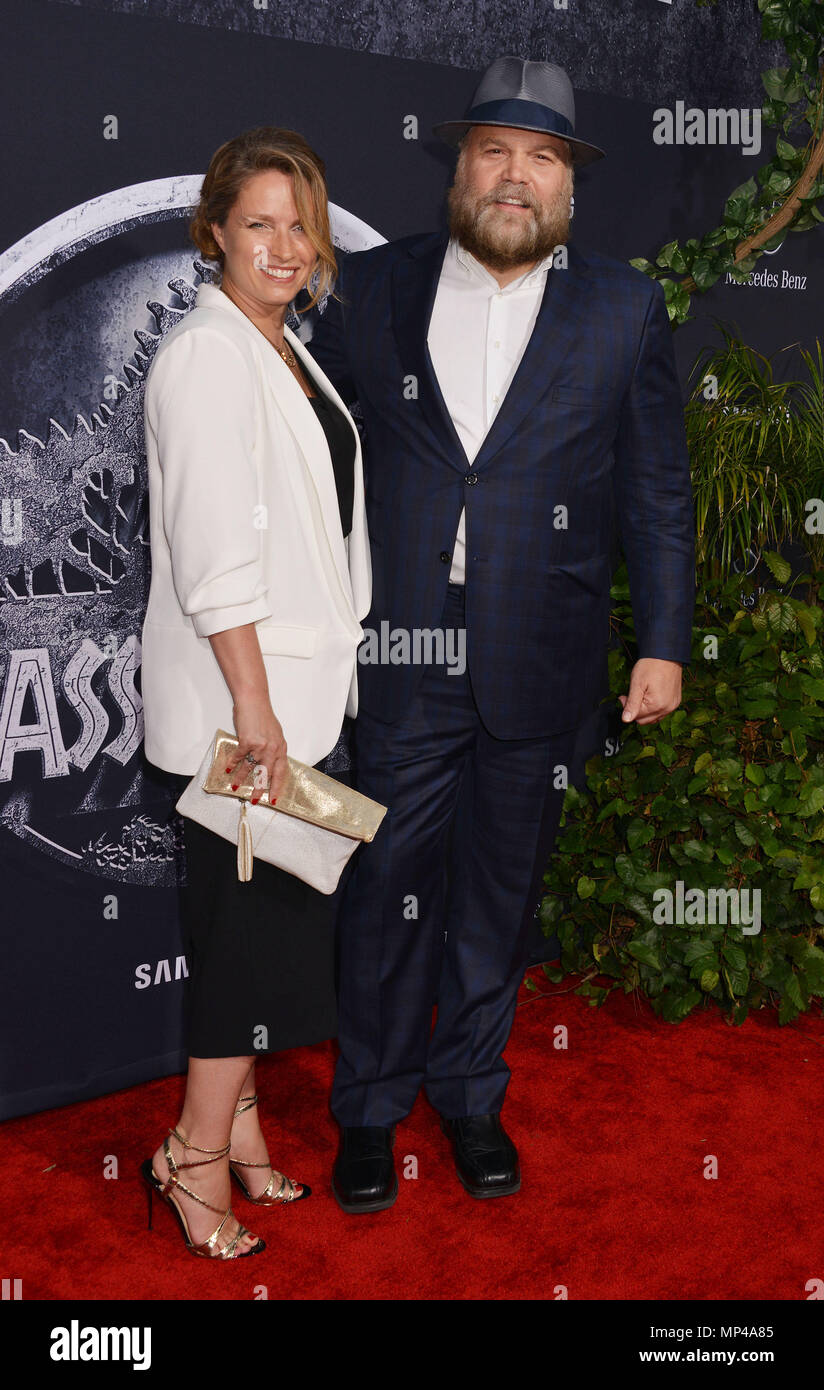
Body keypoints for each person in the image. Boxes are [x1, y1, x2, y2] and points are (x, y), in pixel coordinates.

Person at [308, 56, 695, 1211]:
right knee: (382, 887)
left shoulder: (621, 305)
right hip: (402, 652)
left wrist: (663, 640)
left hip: (544, 653)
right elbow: (307, 453)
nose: (514, 176)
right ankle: (369, 1108)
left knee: (499, 892)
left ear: (568, 183)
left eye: (541, 157)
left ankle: (470, 1093)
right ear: (460, 166)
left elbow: (654, 491)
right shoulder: (372, 289)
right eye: (493, 151)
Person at [139, 126, 371, 1256]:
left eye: (301, 223)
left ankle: (240, 1142)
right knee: (242, 952)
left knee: (264, 944)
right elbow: (213, 558)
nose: (284, 245)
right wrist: (259, 712)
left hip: (293, 709)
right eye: (259, 223)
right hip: (243, 719)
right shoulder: (206, 357)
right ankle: (187, 1160)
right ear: (214, 233)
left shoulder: (285, 348)